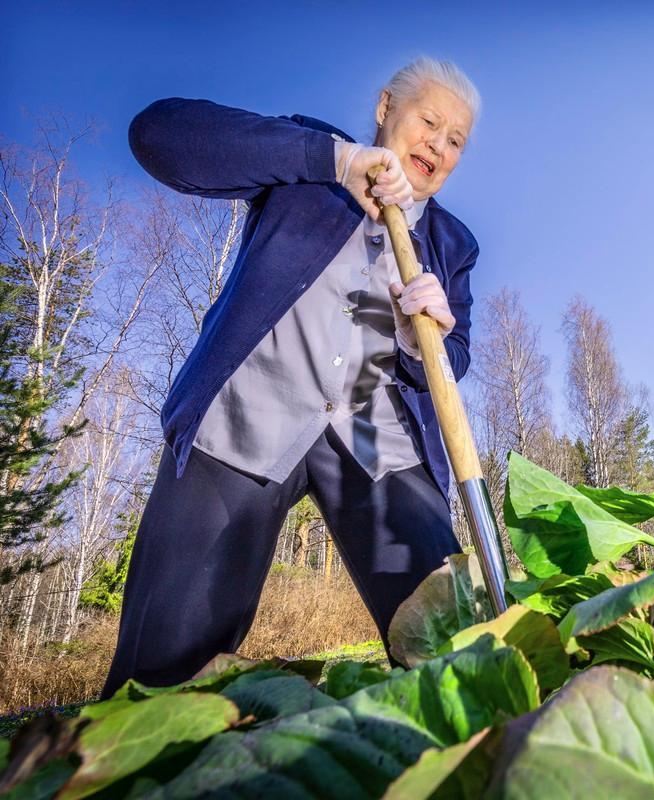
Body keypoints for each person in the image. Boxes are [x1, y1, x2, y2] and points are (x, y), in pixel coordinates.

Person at [102, 58, 481, 697]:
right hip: (244, 419)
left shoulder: (453, 243)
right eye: (430, 122)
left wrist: (426, 341)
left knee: (455, 645)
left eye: (456, 142)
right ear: (386, 107)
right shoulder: (311, 160)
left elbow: (455, 356)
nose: (439, 147)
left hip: (374, 440)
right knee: (162, 672)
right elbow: (158, 135)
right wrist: (330, 159)